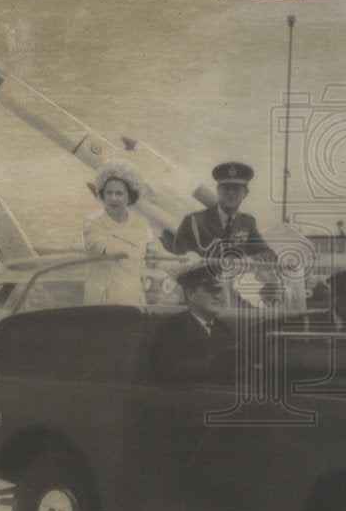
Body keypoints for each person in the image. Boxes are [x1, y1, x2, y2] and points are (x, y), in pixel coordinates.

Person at [82, 157, 188, 306]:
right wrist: (141, 252)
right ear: (102, 195)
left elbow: (160, 256)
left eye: (119, 194)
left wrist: (186, 261)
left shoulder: (141, 223)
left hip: (132, 301)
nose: (113, 199)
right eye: (109, 193)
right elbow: (106, 249)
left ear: (129, 196)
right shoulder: (93, 223)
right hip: (100, 302)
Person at [171, 162, 273, 262]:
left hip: (235, 277)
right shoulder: (194, 221)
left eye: (236, 189)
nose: (231, 193)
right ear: (218, 190)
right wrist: (191, 257)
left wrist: (250, 260)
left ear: (245, 193)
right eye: (226, 188)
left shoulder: (246, 222)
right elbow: (178, 250)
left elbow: (267, 253)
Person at [150, 266, 236, 385]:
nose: (217, 296)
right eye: (210, 290)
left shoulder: (224, 330)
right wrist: (214, 363)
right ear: (190, 294)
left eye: (219, 291)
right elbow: (167, 372)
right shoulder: (172, 329)